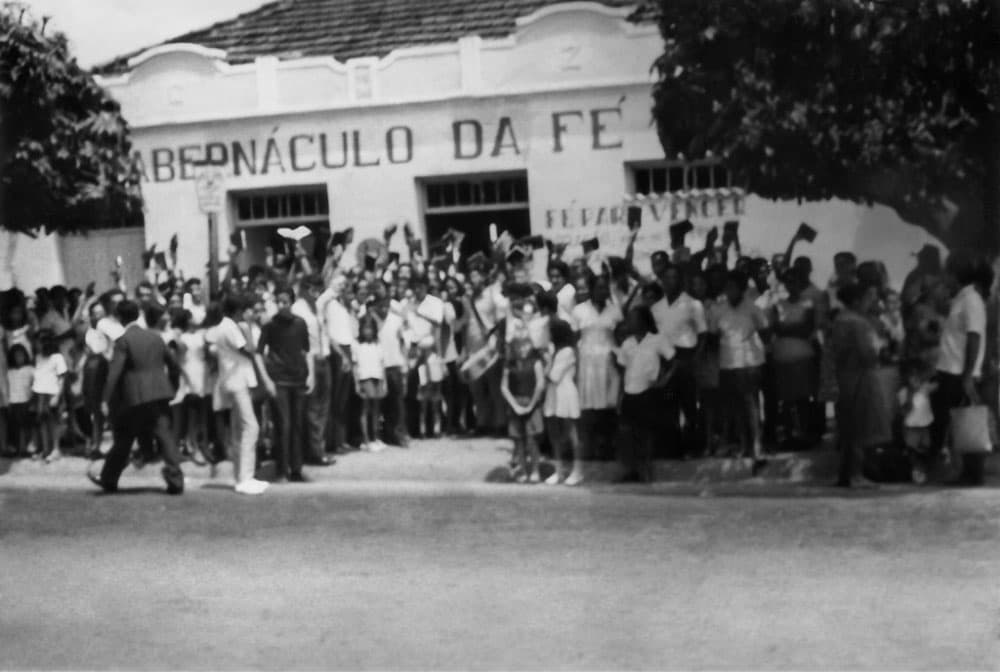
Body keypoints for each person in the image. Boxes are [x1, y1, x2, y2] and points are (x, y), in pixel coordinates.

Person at [89, 300, 187, 494]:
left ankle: (109, 478)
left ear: (119, 318)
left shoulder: (124, 340)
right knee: (165, 435)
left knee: (124, 438)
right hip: (160, 393)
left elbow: (114, 373)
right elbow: (174, 366)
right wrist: (172, 387)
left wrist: (105, 399)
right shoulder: (155, 337)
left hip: (135, 396)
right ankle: (176, 479)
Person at [931, 250, 988, 484]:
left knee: (966, 419)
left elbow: (974, 336)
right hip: (949, 369)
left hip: (959, 371)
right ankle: (963, 470)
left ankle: (972, 472)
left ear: (956, 275)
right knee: (953, 420)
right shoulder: (961, 298)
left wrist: (967, 374)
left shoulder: (971, 299)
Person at [213, 295, 274, 495]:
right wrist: (247, 329)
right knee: (251, 427)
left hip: (235, 380)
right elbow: (249, 349)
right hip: (237, 381)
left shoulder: (225, 326)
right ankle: (245, 477)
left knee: (238, 429)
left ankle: (240, 476)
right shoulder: (230, 327)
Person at [713, 271, 769, 474]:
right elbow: (713, 336)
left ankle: (757, 447)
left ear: (742, 288)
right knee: (735, 406)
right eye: (727, 287)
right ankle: (744, 445)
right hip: (727, 363)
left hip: (750, 362)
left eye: (734, 287)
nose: (730, 291)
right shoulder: (718, 311)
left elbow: (765, 333)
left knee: (751, 405)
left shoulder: (753, 309)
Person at [830, 283, 886, 488]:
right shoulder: (857, 323)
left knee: (847, 424)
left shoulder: (839, 320)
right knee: (859, 425)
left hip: (843, 377)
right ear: (856, 301)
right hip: (859, 376)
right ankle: (855, 474)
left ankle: (845, 473)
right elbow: (868, 353)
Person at [650, 262, 706, 457]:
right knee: (667, 406)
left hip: (685, 358)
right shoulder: (656, 308)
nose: (670, 281)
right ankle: (671, 448)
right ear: (662, 281)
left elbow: (703, 335)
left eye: (674, 277)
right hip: (664, 360)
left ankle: (694, 447)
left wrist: (694, 360)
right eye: (667, 278)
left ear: (681, 281)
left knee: (689, 405)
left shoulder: (693, 304)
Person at [615, 306, 677, 483]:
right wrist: (619, 397)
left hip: (647, 391)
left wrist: (663, 380)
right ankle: (630, 470)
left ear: (643, 320)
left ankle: (646, 471)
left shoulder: (657, 340)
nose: (631, 322)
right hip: (629, 391)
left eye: (634, 318)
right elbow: (623, 371)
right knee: (627, 433)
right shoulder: (627, 343)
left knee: (645, 433)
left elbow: (673, 362)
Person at [258, 285, 312, 481]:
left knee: (298, 425)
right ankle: (282, 469)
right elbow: (260, 352)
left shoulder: (300, 324)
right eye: (278, 302)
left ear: (292, 302)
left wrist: (310, 374)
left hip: (298, 378)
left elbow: (306, 350)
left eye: (285, 302)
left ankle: (296, 468)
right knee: (283, 425)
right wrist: (267, 379)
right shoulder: (270, 325)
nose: (281, 306)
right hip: (279, 379)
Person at [572, 275, 623, 460]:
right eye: (599, 288)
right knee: (589, 406)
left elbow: (619, 336)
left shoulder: (615, 310)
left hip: (609, 361)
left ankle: (607, 448)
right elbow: (574, 338)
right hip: (587, 363)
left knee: (608, 405)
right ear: (591, 289)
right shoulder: (579, 311)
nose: (603, 292)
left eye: (605, 288)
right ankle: (589, 449)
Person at [770, 267, 818, 448]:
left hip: (803, 356)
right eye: (788, 282)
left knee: (803, 399)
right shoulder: (778, 305)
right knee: (787, 400)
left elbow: (807, 329)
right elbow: (776, 328)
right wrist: (794, 328)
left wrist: (786, 329)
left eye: (795, 281)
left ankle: (805, 435)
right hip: (782, 357)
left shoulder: (808, 303)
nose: (792, 285)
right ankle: (789, 435)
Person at [292, 273, 335, 465]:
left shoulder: (316, 307)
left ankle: (318, 447)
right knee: (312, 408)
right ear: (303, 289)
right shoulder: (298, 309)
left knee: (323, 408)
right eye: (312, 289)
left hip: (323, 359)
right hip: (309, 361)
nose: (316, 293)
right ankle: (315, 452)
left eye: (319, 289)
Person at [543, 318, 583, 485]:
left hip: (565, 394)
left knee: (572, 434)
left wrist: (545, 360)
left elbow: (554, 375)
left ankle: (578, 471)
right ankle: (559, 471)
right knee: (555, 434)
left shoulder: (567, 352)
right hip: (553, 394)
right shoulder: (555, 350)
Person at [500, 336, 546, 483]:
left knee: (532, 440)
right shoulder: (509, 365)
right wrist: (515, 406)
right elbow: (504, 387)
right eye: (519, 347)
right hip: (515, 403)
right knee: (518, 440)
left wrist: (531, 405)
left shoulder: (536, 363)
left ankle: (535, 470)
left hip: (532, 402)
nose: (523, 349)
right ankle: (523, 470)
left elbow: (540, 385)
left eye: (526, 346)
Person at [324, 275, 358, 454]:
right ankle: (332, 442)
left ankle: (341, 439)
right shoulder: (329, 305)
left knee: (344, 400)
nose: (344, 290)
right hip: (337, 352)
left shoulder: (347, 308)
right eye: (341, 287)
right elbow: (329, 334)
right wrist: (342, 356)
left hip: (348, 349)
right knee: (335, 400)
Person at [898, 360, 936, 484]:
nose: (914, 380)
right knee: (912, 451)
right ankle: (915, 472)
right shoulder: (903, 392)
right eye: (911, 377)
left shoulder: (924, 389)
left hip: (925, 425)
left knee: (925, 449)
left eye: (917, 377)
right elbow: (903, 412)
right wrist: (910, 398)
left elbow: (937, 385)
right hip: (911, 427)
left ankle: (924, 472)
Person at [32, 331, 67, 463]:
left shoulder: (57, 357)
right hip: (40, 393)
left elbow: (62, 378)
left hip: (53, 393)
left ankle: (56, 449)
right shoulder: (38, 357)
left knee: (54, 422)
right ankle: (45, 448)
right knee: (42, 422)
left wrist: (57, 396)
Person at [354, 315, 387, 452]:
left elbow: (382, 363)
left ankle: (375, 437)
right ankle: (366, 439)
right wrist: (356, 383)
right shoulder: (357, 345)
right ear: (361, 329)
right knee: (366, 407)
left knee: (376, 408)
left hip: (377, 377)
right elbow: (355, 365)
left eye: (370, 329)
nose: (368, 332)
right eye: (365, 328)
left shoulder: (377, 344)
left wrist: (384, 382)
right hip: (365, 377)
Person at [6, 344, 33, 457]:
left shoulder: (31, 370)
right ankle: (17, 448)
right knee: (15, 427)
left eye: (21, 356)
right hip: (13, 401)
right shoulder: (9, 372)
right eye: (16, 356)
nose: (19, 358)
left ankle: (24, 448)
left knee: (25, 426)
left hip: (26, 401)